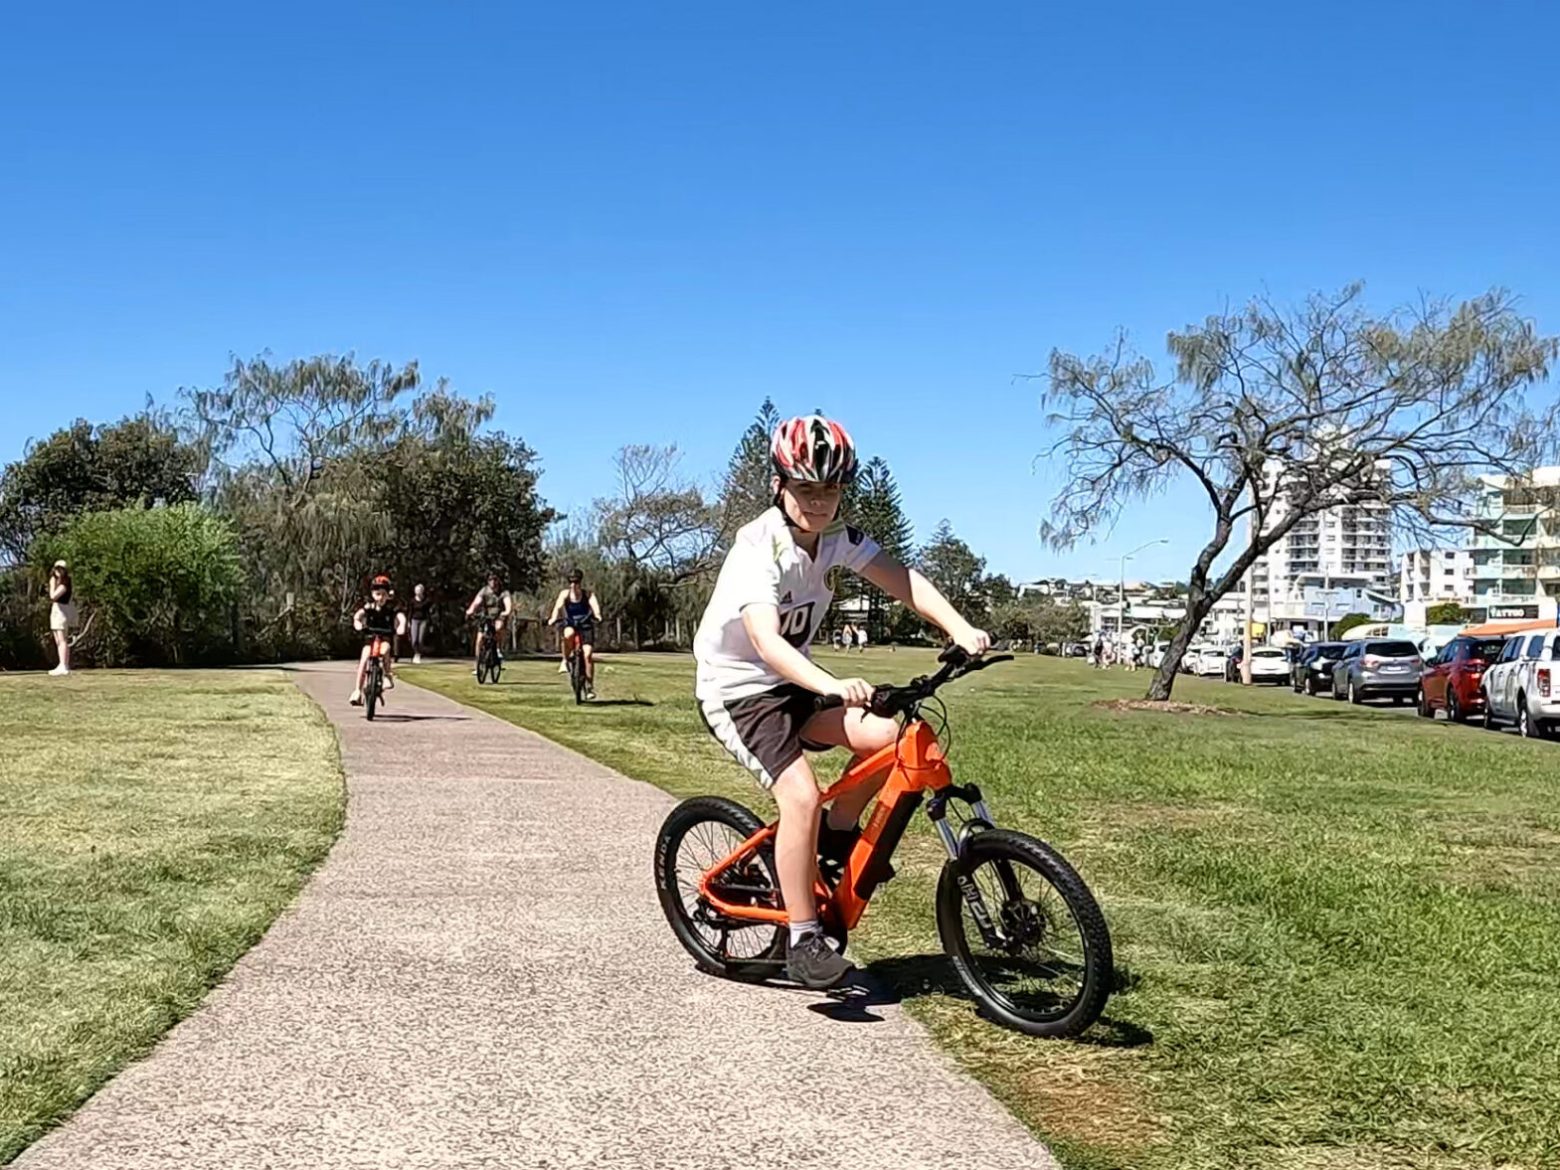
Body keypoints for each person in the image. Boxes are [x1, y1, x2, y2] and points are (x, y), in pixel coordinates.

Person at [694, 414, 991, 991]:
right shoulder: (758, 548)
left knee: (894, 738)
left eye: (831, 488)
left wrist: (960, 627)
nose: (821, 501)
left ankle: (838, 833)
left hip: (796, 683)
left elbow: (902, 578)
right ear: (779, 485)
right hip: (740, 692)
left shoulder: (837, 539)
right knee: (799, 796)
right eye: (807, 488)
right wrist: (829, 684)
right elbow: (765, 641)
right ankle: (805, 938)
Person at [350, 574, 406, 705]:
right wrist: (357, 623)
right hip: (370, 637)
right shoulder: (369, 607)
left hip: (385, 636)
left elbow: (400, 617)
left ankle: (387, 675)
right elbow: (358, 615)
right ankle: (357, 691)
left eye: (383, 594)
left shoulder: (392, 608)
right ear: (373, 594)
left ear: (388, 595)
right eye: (377, 594)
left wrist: (401, 626)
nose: (380, 598)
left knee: (386, 650)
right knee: (364, 659)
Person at [548, 568, 603, 699]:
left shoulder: (588, 594)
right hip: (571, 623)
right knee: (568, 634)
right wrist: (553, 618)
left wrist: (598, 615)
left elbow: (595, 607)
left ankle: (589, 687)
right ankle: (565, 660)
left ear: (580, 582)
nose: (573, 585)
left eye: (576, 582)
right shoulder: (564, 594)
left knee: (588, 654)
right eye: (571, 582)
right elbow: (558, 607)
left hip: (585, 625)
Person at [465, 570, 513, 674]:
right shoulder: (484, 591)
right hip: (486, 617)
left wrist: (507, 611)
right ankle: (478, 664)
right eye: (490, 580)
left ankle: (498, 649)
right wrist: (470, 610)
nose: (493, 582)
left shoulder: (504, 592)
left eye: (495, 580)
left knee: (499, 628)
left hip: (499, 616)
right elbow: (476, 602)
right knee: (479, 640)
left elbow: (508, 604)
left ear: (498, 581)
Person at [47, 560, 76, 676]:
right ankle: (61, 664)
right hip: (56, 610)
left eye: (61, 569)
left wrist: (52, 584)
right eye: (57, 569)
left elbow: (53, 596)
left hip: (62, 611)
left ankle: (64, 665)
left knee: (62, 638)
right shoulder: (57, 581)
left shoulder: (65, 583)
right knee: (57, 639)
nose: (58, 571)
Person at [406, 583, 430, 664]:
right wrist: (408, 621)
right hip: (414, 620)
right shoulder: (412, 601)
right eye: (416, 590)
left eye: (419, 590)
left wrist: (429, 622)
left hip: (423, 620)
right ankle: (416, 653)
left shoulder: (426, 601)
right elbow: (410, 611)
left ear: (422, 591)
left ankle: (418, 654)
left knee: (420, 639)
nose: (417, 592)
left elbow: (427, 612)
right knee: (414, 640)